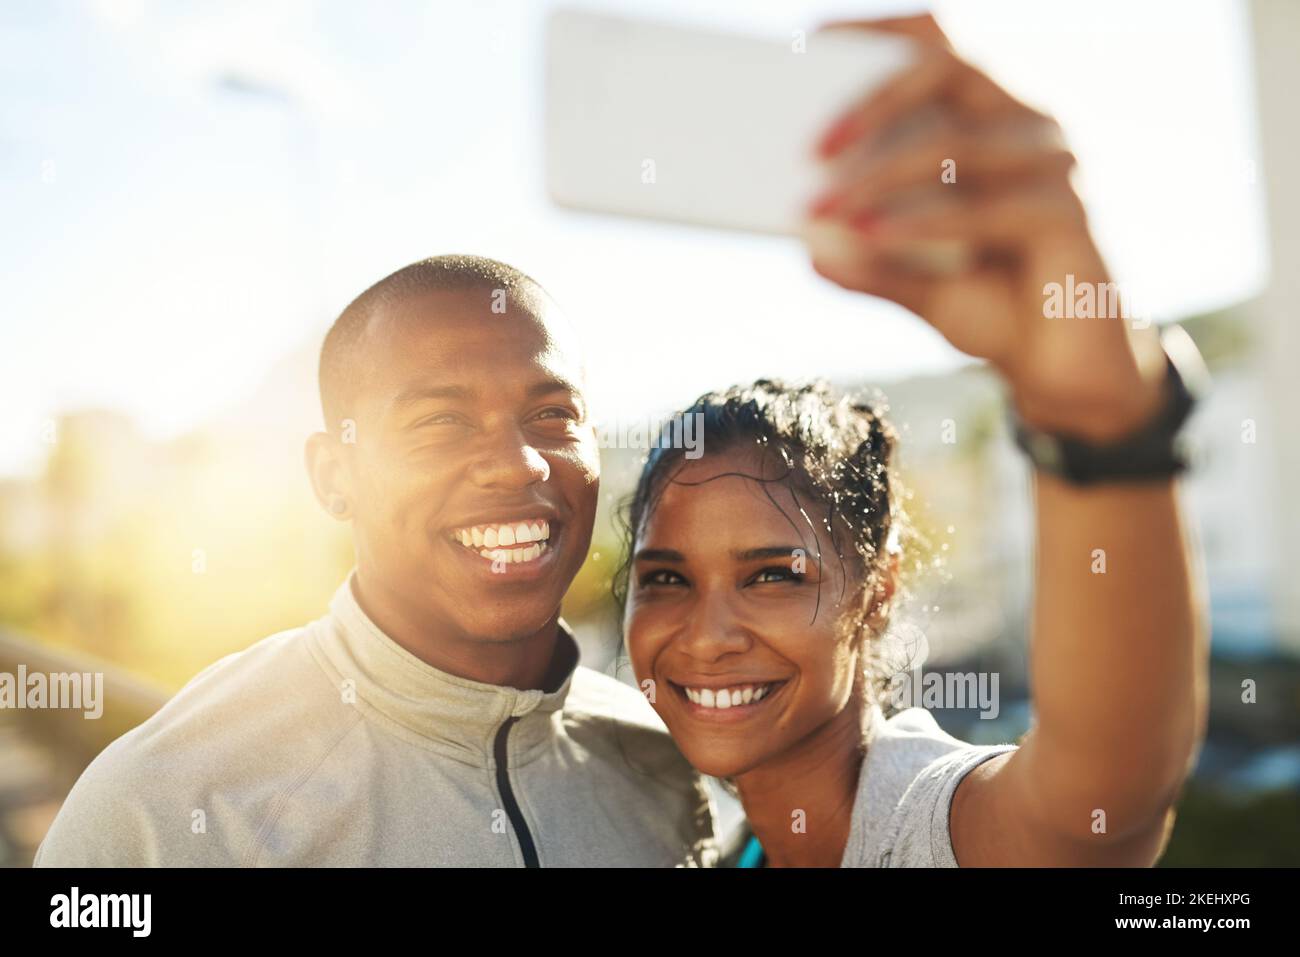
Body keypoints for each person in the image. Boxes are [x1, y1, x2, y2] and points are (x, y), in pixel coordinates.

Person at [617, 15, 1208, 867]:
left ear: (880, 589)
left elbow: (1103, 801)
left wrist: (1099, 422)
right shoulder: (723, 849)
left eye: (774, 574)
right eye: (665, 578)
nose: (708, 636)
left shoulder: (933, 824)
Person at [34, 254, 717, 866]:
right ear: (334, 476)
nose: (517, 464)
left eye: (551, 414)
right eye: (440, 423)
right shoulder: (167, 803)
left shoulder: (661, 761)